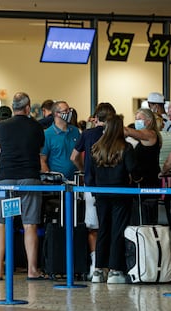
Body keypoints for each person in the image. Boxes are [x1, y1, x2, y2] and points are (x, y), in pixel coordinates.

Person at [0, 91, 45, 281]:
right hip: (29, 179)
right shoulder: (36, 126)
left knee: (2, 224)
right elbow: (39, 148)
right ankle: (32, 270)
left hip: (7, 180)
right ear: (28, 108)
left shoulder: (2, 126)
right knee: (29, 224)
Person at [70, 102, 116, 279]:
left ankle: (95, 267)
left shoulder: (87, 134)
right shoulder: (115, 134)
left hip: (91, 184)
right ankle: (112, 267)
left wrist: (83, 169)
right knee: (111, 226)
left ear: (95, 117)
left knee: (93, 228)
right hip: (113, 186)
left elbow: (74, 156)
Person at [89, 114, 137, 284]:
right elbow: (134, 170)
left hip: (101, 195)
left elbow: (89, 175)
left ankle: (99, 270)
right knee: (117, 230)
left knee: (103, 229)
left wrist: (95, 191)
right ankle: (115, 271)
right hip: (121, 195)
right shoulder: (125, 147)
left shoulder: (96, 147)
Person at [124, 108, 161, 225]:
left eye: (139, 119)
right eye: (135, 119)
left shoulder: (151, 134)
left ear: (149, 121)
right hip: (141, 185)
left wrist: (116, 126)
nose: (136, 122)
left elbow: (131, 132)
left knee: (146, 223)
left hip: (148, 185)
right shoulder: (144, 137)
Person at [40, 100, 81, 181]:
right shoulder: (47, 134)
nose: (69, 113)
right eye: (66, 111)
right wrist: (49, 179)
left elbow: (80, 155)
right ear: (56, 113)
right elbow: (42, 160)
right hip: (57, 183)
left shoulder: (75, 131)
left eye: (69, 110)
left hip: (75, 180)